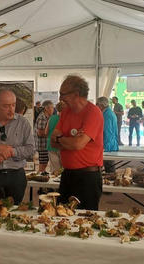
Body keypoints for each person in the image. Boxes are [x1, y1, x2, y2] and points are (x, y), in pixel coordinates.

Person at [51, 75, 103, 210]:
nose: (60, 98)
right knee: (62, 217)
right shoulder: (66, 112)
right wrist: (69, 140)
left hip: (87, 177)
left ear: (76, 94)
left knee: (85, 222)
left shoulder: (93, 112)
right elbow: (52, 141)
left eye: (63, 94)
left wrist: (61, 138)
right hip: (68, 175)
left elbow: (77, 144)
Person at [96, 97, 118, 173]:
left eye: (97, 104)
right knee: (109, 168)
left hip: (108, 146)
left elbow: (107, 132)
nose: (96, 106)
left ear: (101, 105)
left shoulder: (107, 115)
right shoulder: (109, 113)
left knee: (109, 169)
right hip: (110, 144)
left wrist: (105, 148)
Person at [46, 102, 66, 174]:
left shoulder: (52, 118)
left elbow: (46, 132)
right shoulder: (65, 119)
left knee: (55, 170)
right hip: (62, 145)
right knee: (63, 169)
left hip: (51, 146)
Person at [35, 100, 54, 174]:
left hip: (45, 144)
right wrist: (52, 133)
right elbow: (40, 133)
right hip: (42, 145)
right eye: (52, 107)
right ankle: (39, 179)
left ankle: (41, 177)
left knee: (44, 163)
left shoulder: (46, 117)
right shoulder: (42, 117)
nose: (53, 109)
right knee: (42, 165)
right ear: (46, 108)